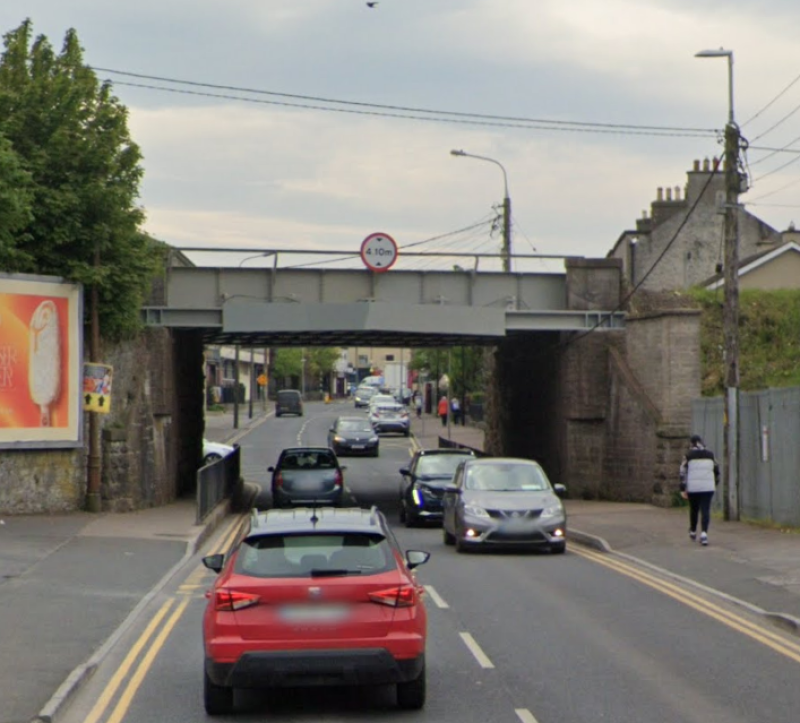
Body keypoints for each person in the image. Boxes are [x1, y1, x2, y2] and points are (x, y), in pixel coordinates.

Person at [679, 434, 720, 546]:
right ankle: (704, 534)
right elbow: (717, 470)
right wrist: (715, 483)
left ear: (692, 443)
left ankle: (693, 531)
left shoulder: (688, 455)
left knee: (694, 509)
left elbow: (682, 472)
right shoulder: (711, 454)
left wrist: (683, 488)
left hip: (694, 488)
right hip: (708, 487)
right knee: (705, 510)